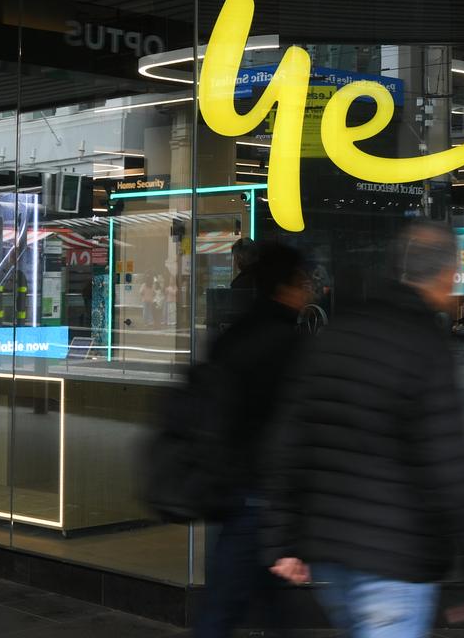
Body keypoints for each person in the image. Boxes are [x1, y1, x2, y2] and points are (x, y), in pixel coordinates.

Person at [264, 222, 464, 637]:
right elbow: (448, 461)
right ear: (445, 275)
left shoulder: (336, 331)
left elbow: (290, 438)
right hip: (396, 555)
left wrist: (284, 538)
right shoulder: (424, 343)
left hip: (332, 547)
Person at [193, 242, 312, 638]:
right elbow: (293, 428)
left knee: (248, 604)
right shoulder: (287, 343)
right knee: (231, 609)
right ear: (286, 286)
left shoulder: (236, 334)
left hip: (236, 486)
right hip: (261, 495)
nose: (308, 291)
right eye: (303, 282)